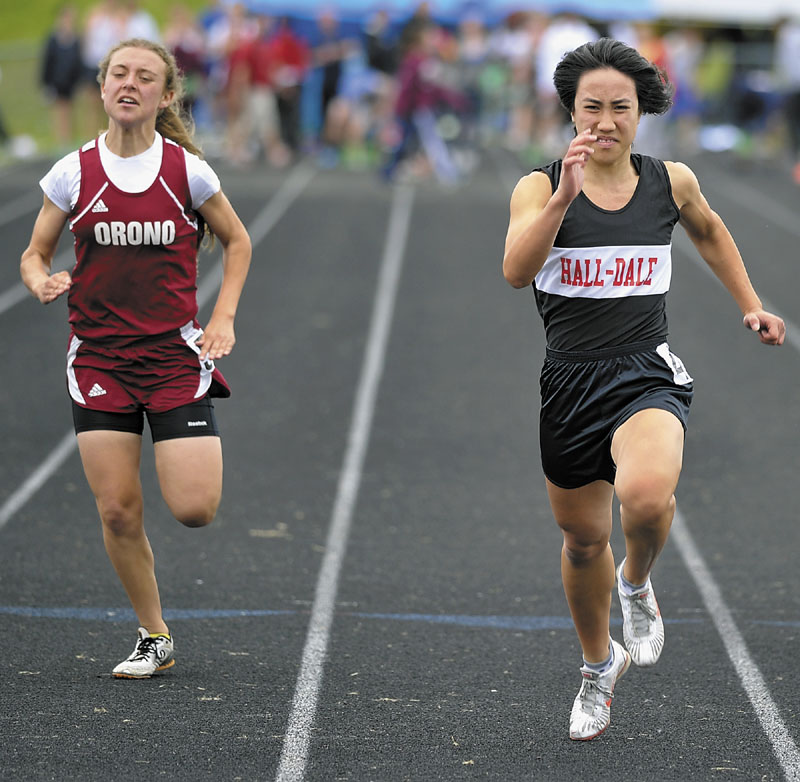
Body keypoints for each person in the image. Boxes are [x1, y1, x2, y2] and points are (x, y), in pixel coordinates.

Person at [502, 38, 785, 741]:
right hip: (569, 383)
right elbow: (514, 270)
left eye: (619, 107)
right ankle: (600, 666)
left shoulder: (670, 181)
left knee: (648, 496)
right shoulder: (539, 187)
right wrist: (564, 196)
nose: (604, 120)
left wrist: (750, 301)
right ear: (570, 111)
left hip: (643, 371)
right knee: (579, 542)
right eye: (591, 107)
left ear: (641, 112)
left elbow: (711, 232)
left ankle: (637, 581)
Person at [20, 38, 252, 678]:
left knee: (194, 508)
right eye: (118, 73)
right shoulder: (72, 172)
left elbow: (237, 241)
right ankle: (155, 634)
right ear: (101, 88)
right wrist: (39, 279)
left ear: (166, 94)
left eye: (144, 76)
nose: (129, 84)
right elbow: (35, 252)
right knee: (118, 509)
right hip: (99, 360)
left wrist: (224, 317)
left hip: (173, 359)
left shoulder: (187, 172)